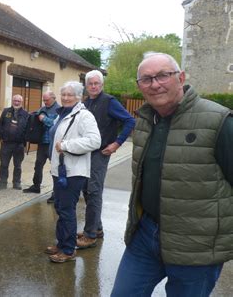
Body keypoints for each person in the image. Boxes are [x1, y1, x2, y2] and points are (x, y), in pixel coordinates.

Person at [111, 52, 233, 296]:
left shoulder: (218, 120)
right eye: (146, 79)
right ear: (139, 86)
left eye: (163, 76)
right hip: (145, 236)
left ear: (181, 77)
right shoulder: (145, 121)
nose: (155, 84)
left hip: (196, 247)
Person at [76, 70, 135, 249]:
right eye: (90, 84)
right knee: (86, 189)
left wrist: (117, 143)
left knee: (94, 191)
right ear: (86, 86)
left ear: (101, 85)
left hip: (100, 153)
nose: (93, 86)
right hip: (86, 152)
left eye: (97, 83)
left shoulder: (109, 102)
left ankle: (90, 235)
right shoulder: (86, 103)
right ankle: (97, 228)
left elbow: (130, 121)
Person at [44, 81, 100, 263]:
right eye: (64, 94)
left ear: (79, 97)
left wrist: (67, 146)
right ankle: (61, 244)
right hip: (60, 170)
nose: (66, 98)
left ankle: (68, 250)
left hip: (73, 172)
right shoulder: (62, 114)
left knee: (67, 210)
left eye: (70, 95)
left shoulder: (84, 116)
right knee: (60, 208)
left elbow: (94, 141)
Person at [23, 91, 60, 203]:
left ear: (53, 98)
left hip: (53, 144)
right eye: (44, 100)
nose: (45, 102)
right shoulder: (42, 108)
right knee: (38, 165)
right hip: (42, 143)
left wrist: (44, 119)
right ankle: (36, 186)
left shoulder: (59, 110)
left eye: (47, 100)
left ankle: (56, 193)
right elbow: (35, 117)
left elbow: (55, 125)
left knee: (55, 168)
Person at [0, 94, 29, 190]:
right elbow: (0, 125)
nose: (16, 102)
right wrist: (0, 138)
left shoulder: (26, 114)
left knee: (18, 165)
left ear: (21, 102)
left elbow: (27, 129)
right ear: (12, 101)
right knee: (4, 165)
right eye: (15, 100)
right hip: (6, 144)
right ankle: (3, 183)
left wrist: (24, 141)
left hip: (19, 145)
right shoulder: (6, 111)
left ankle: (16, 183)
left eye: (18, 101)